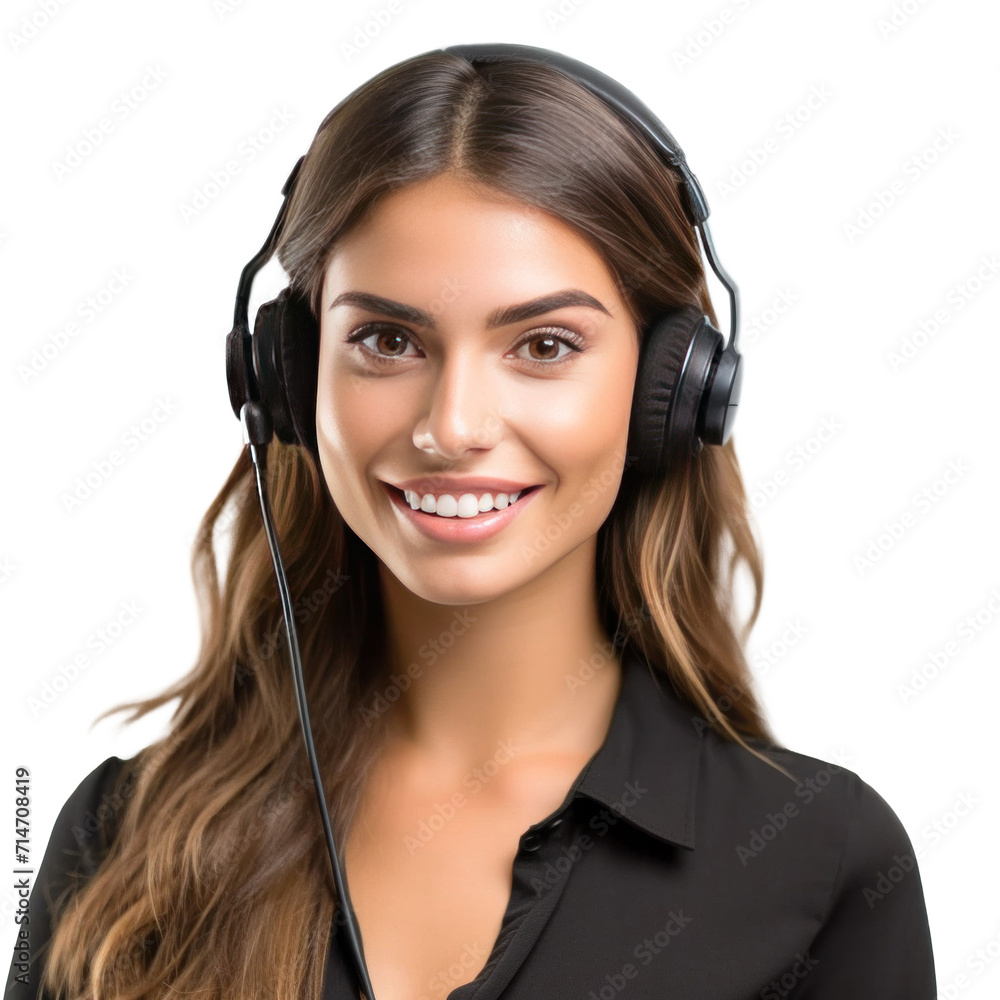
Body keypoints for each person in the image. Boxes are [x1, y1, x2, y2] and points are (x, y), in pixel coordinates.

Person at [5, 45, 936, 1000]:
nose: (452, 427)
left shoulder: (820, 865)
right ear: (286, 376)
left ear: (671, 391)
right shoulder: (114, 843)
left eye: (543, 345)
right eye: (386, 340)